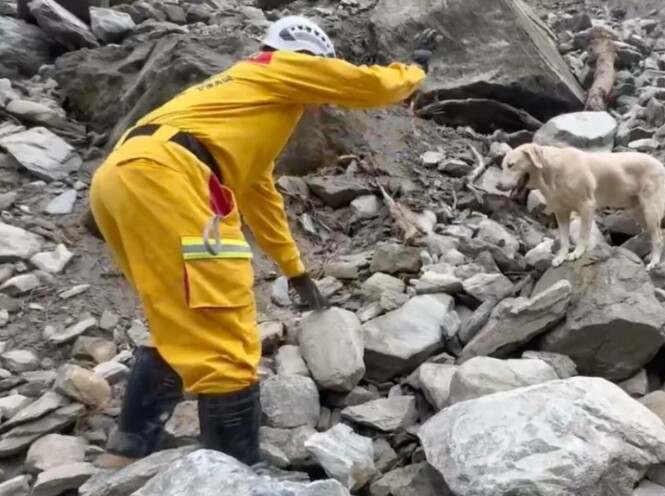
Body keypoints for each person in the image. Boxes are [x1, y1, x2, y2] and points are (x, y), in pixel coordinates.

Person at [85, 15, 428, 468]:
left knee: (180, 322)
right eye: (320, 78)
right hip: (174, 177)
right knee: (226, 334)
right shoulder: (278, 66)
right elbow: (371, 85)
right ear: (309, 61)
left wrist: (294, 268)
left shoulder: (243, 108)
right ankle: (234, 473)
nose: (321, 101)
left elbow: (259, 195)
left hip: (122, 178)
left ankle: (126, 453)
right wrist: (415, 72)